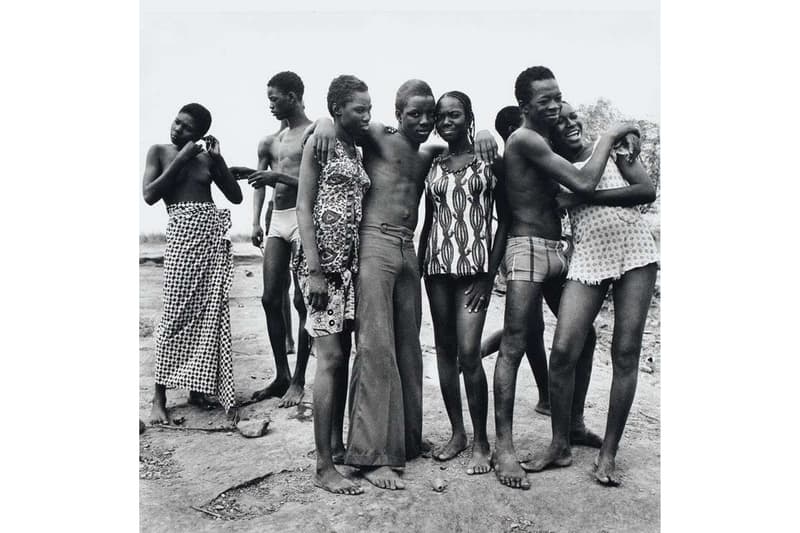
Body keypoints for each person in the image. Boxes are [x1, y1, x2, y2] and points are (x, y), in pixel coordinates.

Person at [309, 80, 498, 490]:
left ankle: (407, 440)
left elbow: (464, 147)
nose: (425, 121)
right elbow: (338, 124)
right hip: (374, 242)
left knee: (409, 347)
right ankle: (372, 455)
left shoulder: (431, 152)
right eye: (415, 114)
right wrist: (322, 121)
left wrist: (484, 132)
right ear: (397, 115)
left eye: (430, 114)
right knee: (376, 346)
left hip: (409, 250)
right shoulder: (377, 135)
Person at [492, 66, 639, 490]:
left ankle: (570, 425)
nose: (555, 106)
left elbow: (591, 166)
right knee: (515, 344)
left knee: (584, 339)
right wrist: (610, 135)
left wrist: (626, 144)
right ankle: (504, 448)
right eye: (545, 101)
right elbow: (582, 180)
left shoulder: (546, 139)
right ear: (525, 107)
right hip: (526, 247)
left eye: (559, 97)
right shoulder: (524, 138)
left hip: (556, 251)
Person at [522, 102, 658, 486]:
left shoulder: (613, 146)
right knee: (564, 348)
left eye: (572, 116)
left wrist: (583, 197)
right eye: (560, 121)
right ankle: (560, 443)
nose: (570, 124)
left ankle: (608, 454)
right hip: (588, 255)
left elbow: (645, 190)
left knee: (625, 352)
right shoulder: (550, 164)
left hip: (635, 251)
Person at [416, 91, 507, 476]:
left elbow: (507, 220)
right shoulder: (433, 162)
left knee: (469, 353)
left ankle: (482, 442)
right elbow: (430, 219)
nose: (445, 120)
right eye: (441, 115)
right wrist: (418, 267)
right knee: (444, 350)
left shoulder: (488, 160)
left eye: (454, 114)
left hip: (474, 270)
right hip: (436, 268)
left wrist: (489, 276)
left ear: (469, 117)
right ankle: (457, 434)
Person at [142, 103, 243, 424]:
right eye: (176, 122)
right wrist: (181, 157)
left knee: (207, 314)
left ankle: (197, 389)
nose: (177, 129)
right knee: (174, 315)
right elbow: (149, 194)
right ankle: (159, 398)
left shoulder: (205, 159)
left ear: (199, 134)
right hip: (182, 240)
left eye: (186, 128)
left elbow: (235, 195)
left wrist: (218, 159)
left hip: (209, 240)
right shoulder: (159, 152)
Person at [296, 75, 373, 496]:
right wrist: (313, 269)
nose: (367, 115)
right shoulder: (319, 142)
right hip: (322, 265)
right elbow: (304, 206)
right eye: (359, 109)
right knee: (328, 359)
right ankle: (323, 466)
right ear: (338, 110)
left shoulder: (355, 147)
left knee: (340, 357)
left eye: (369, 108)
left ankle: (337, 445)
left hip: (348, 267)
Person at [229, 72, 312, 408]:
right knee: (269, 298)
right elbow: (260, 184)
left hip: (303, 217)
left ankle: (299, 378)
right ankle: (281, 374)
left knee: (303, 302)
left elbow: (311, 181)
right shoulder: (268, 142)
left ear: (293, 96)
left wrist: (274, 175)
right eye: (269, 99)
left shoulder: (312, 133)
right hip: (277, 220)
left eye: (275, 98)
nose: (271, 105)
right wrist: (255, 221)